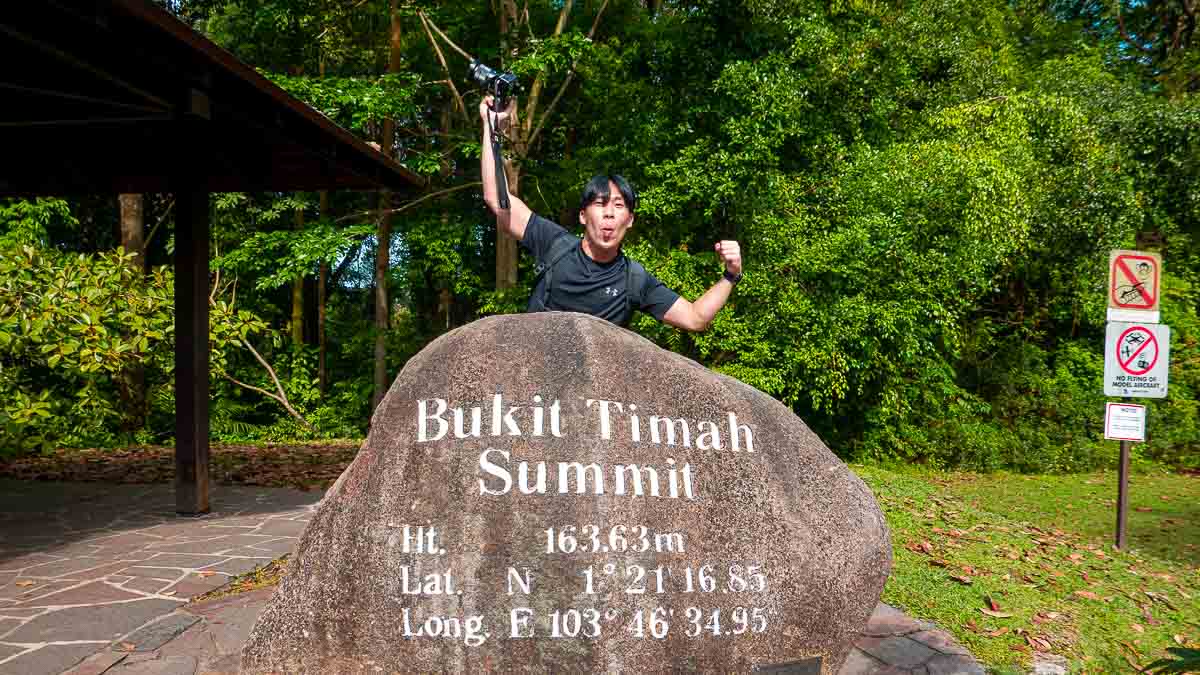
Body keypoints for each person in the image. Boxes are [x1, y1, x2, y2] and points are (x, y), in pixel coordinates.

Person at [479, 96, 743, 332]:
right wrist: (491, 128)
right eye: (600, 204)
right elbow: (498, 201)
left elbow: (695, 317)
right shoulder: (554, 244)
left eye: (618, 206)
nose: (608, 214)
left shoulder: (633, 281)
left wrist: (731, 275)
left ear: (629, 220)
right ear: (583, 215)